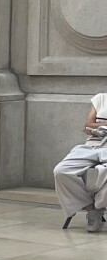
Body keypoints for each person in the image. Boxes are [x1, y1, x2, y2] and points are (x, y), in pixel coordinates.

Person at [53, 94, 107, 232]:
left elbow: (93, 124)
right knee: (61, 171)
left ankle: (100, 206)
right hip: (92, 144)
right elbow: (88, 125)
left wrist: (99, 125)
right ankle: (91, 209)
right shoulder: (101, 98)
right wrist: (100, 127)